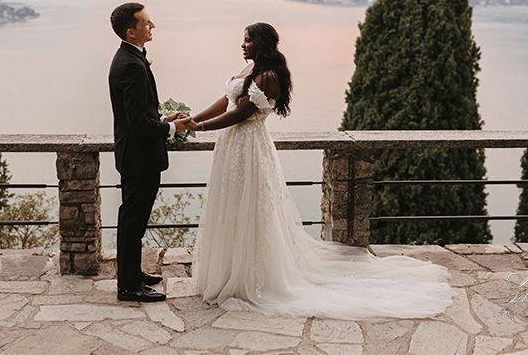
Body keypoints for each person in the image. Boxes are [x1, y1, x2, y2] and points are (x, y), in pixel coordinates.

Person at [186, 22, 453, 319]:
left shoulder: (268, 77)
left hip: (248, 148)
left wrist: (200, 128)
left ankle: (249, 276)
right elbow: (226, 101)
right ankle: (228, 270)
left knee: (249, 208)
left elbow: (240, 113)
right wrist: (192, 119)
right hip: (231, 148)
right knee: (231, 206)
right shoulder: (247, 71)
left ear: (260, 44)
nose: (242, 44)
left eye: (247, 40)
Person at [109, 2, 191, 303]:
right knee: (132, 221)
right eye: (146, 23)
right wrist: (172, 129)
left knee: (134, 220)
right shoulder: (130, 65)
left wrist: (163, 119)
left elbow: (141, 115)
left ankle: (132, 273)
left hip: (134, 156)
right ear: (131, 32)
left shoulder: (129, 58)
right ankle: (128, 286)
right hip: (139, 157)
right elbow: (137, 124)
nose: (152, 25)